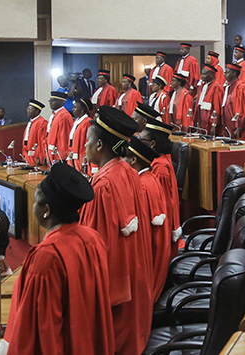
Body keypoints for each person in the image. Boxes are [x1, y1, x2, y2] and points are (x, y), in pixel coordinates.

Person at [0, 163, 114, 355]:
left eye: (35, 201)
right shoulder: (92, 238)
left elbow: (43, 332)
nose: (32, 206)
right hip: (87, 341)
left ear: (46, 209)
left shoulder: (46, 257)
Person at [81, 107, 154, 355]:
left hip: (116, 294)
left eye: (87, 141)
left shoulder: (104, 186)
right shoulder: (128, 172)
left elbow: (95, 246)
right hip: (135, 282)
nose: (84, 147)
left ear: (100, 144)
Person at [124, 137, 170, 299]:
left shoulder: (143, 185)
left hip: (152, 261)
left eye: (125, 158)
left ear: (134, 159)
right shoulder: (149, 178)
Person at [138, 119, 181, 256]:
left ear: (152, 144)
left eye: (142, 140)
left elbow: (163, 205)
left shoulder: (160, 167)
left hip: (161, 232)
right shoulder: (157, 161)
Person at [222, 63, 245, 139]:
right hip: (228, 124)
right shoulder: (228, 86)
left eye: (227, 72)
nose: (224, 74)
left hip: (237, 128)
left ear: (234, 73)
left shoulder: (241, 87)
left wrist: (239, 127)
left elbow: (244, 109)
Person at [194, 64, 224, 135]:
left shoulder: (216, 87)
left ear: (211, 75)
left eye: (204, 74)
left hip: (210, 122)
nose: (202, 76)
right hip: (202, 121)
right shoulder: (203, 86)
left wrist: (214, 124)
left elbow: (217, 108)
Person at [45, 91, 73, 163]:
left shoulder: (64, 116)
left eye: (53, 101)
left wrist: (61, 156)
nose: (50, 103)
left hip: (59, 156)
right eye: (50, 101)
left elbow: (64, 137)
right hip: (51, 152)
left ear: (62, 102)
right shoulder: (55, 114)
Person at [68, 98, 93, 172]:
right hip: (73, 152)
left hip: (81, 154)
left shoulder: (87, 122)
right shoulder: (76, 121)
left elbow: (88, 141)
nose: (73, 109)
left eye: (75, 107)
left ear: (82, 110)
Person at [22, 99, 48, 166]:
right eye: (28, 109)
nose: (28, 111)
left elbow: (42, 142)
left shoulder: (42, 123)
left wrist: (41, 157)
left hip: (36, 156)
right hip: (28, 155)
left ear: (37, 111)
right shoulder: (30, 122)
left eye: (30, 109)